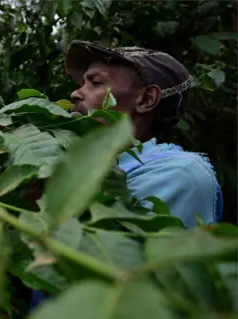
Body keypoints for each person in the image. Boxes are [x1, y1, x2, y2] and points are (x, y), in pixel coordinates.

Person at [29, 40, 223, 311]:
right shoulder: (78, 169)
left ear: (146, 99)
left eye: (95, 83)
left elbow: (131, 286)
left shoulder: (180, 175)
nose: (75, 93)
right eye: (82, 83)